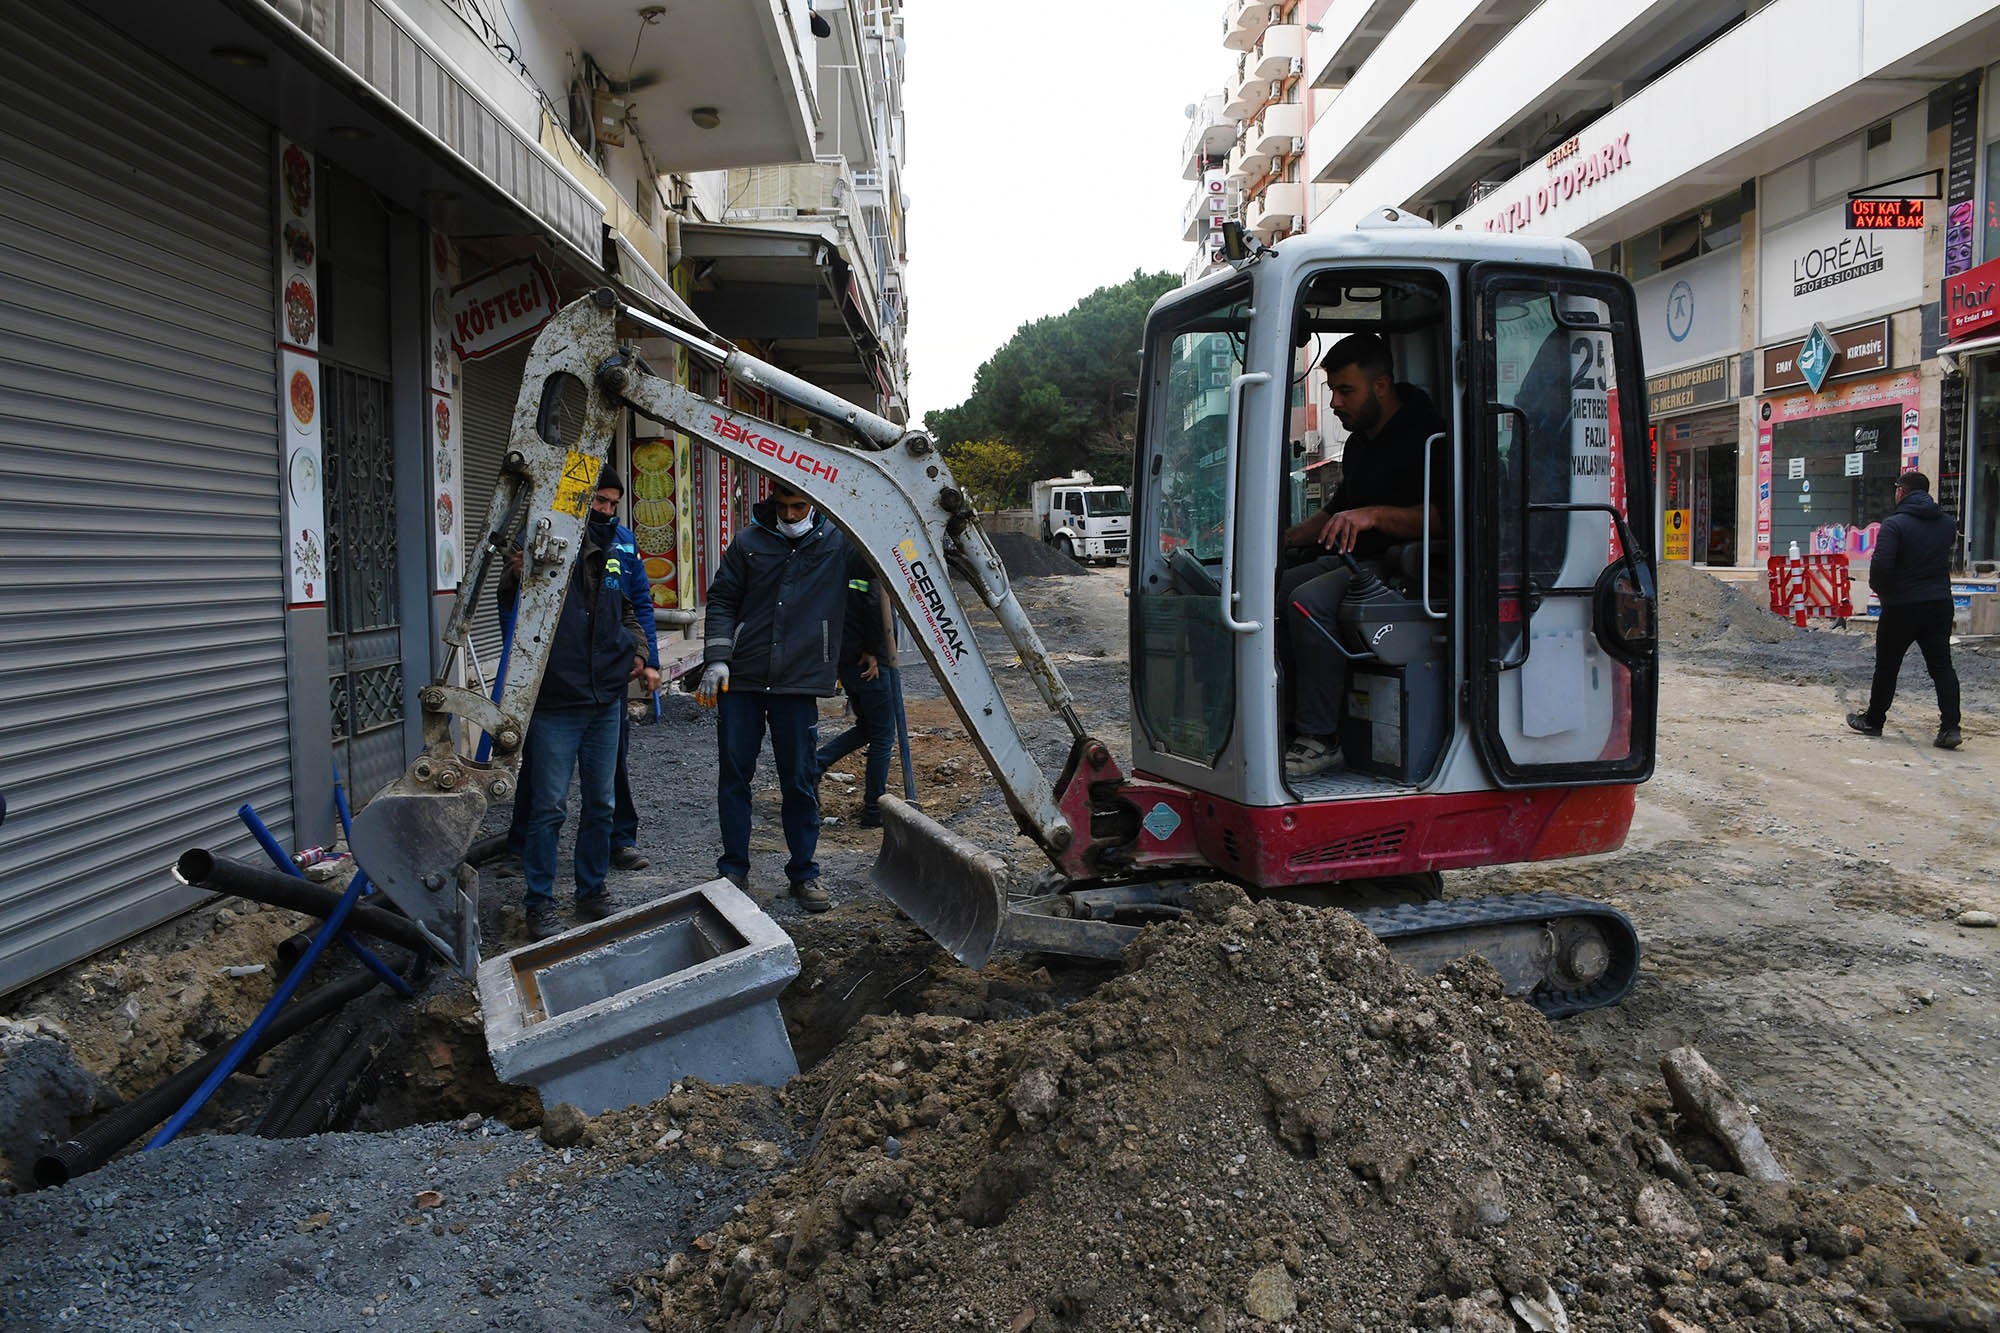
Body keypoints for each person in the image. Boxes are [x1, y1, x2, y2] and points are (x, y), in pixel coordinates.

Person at [1277, 332, 1448, 779]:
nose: (1334, 402)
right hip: (1358, 560)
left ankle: (1321, 738)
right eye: (1332, 390)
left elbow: (1446, 519)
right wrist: (1285, 540)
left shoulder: (1432, 435)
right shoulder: (1359, 444)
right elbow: (1336, 511)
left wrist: (1372, 517)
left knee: (1307, 603)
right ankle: (1288, 720)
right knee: (1278, 589)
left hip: (1405, 566)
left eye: (1344, 390)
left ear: (1381, 385)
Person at [499, 466, 648, 940]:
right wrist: (514, 577)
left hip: (605, 699)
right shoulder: (540, 549)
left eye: (610, 504)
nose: (604, 511)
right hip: (556, 703)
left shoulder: (609, 552)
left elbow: (626, 607)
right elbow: (511, 604)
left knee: (602, 803)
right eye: (598, 503)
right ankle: (539, 904)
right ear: (578, 504)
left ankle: (591, 892)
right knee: (549, 807)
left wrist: (639, 651)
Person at [696, 480, 851, 911]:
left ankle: (804, 872)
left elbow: (874, 578)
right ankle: (733, 869)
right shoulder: (748, 542)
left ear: (814, 504)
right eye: (783, 506)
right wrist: (718, 657)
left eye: (798, 506)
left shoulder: (838, 543)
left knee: (799, 781)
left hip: (798, 681)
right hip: (742, 678)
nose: (789, 515)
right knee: (734, 777)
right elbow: (724, 599)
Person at [1847, 471, 1962, 750]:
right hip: (1938, 604)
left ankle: (1874, 721)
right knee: (1942, 666)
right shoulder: (1947, 523)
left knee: (1887, 666)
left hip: (1901, 605)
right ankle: (1950, 728)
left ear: (1901, 492)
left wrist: (1885, 593)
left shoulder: (1894, 525)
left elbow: (1882, 567)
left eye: (1896, 488)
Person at [813, 561, 895, 827]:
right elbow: (874, 603)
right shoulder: (868, 560)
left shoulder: (837, 562)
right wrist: (872, 649)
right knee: (882, 734)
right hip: (869, 661)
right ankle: (873, 809)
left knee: (868, 727)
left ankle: (816, 764)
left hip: (846, 657)